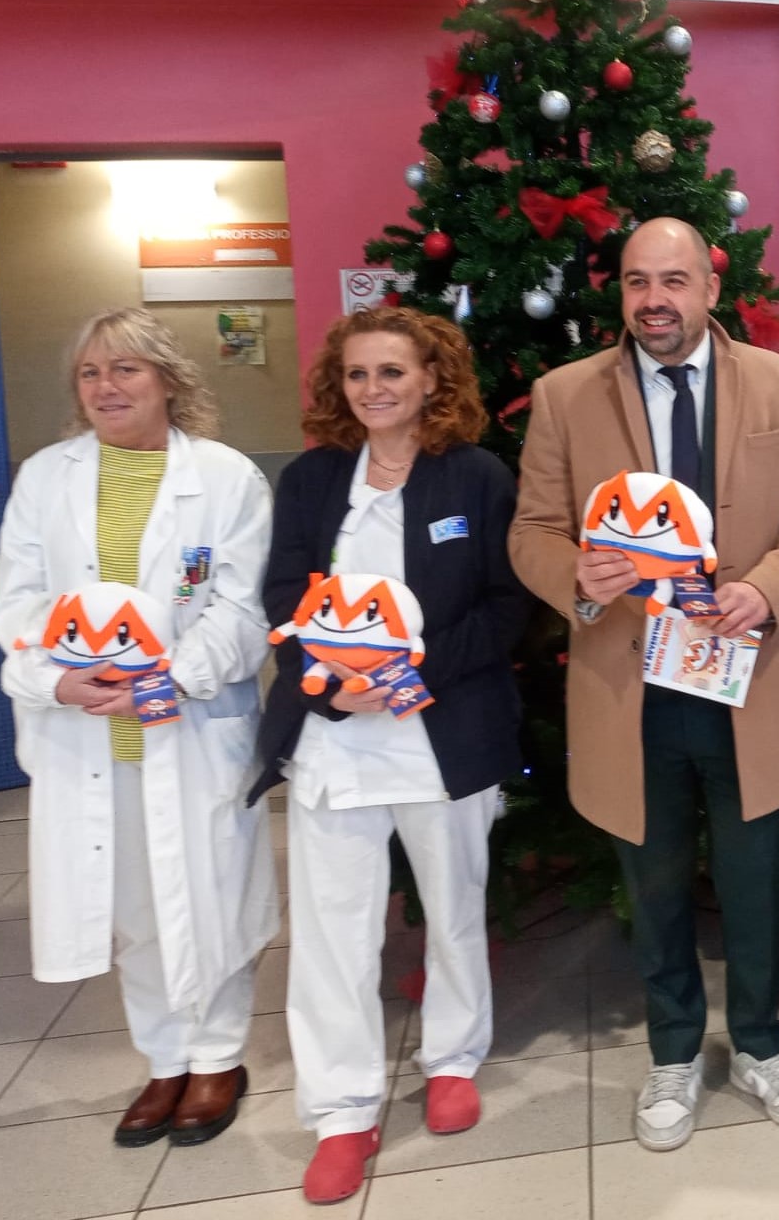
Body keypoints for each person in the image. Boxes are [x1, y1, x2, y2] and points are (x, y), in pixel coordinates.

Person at [510, 217, 779, 1151]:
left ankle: (764, 1044)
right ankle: (672, 1051)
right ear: (620, 292)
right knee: (653, 880)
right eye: (636, 281)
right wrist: (578, 576)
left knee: (753, 874)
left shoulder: (778, 384)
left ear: (709, 288)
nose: (654, 299)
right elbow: (532, 531)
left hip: (744, 681)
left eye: (673, 280)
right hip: (631, 689)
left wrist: (766, 589)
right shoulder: (566, 394)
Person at [251, 305, 528, 1205]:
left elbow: (506, 606)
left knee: (454, 908)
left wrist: (409, 674)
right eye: (358, 373)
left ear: (432, 379)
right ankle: (341, 1109)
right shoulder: (311, 479)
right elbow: (283, 594)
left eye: (392, 371)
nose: (373, 388)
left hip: (443, 733)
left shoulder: (477, 476)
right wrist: (331, 682)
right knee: (332, 929)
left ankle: (453, 1059)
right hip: (335, 736)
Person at [0, 307, 275, 1149]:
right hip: (86, 728)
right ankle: (164, 1057)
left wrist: (171, 675)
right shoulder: (46, 478)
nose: (106, 386)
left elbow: (241, 609)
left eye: (126, 369)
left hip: (190, 722)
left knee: (211, 892)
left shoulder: (225, 478)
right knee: (133, 906)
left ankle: (218, 1055)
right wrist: (56, 677)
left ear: (167, 380)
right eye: (90, 372)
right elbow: (18, 601)